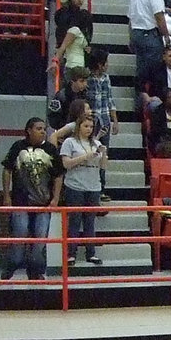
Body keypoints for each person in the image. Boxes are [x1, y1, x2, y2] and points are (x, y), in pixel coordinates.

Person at [1, 118, 64, 282]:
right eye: (38, 128)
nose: (42, 131)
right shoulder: (17, 147)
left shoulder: (50, 149)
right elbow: (7, 170)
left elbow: (58, 175)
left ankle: (35, 270)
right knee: (20, 237)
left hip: (43, 202)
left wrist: (55, 198)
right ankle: (12, 264)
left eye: (44, 129)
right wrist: (6, 195)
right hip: (21, 201)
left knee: (40, 239)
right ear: (28, 130)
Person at [58, 112, 107, 266]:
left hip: (93, 186)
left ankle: (90, 253)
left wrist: (103, 155)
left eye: (91, 127)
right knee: (75, 220)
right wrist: (85, 157)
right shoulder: (70, 142)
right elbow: (66, 164)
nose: (89, 129)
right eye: (86, 126)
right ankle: (71, 254)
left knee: (90, 221)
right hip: (75, 185)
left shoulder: (96, 144)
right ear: (78, 126)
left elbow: (103, 167)